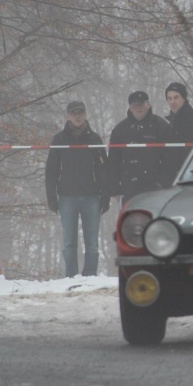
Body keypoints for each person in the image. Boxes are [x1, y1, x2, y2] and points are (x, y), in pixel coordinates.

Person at [45, 100, 110, 277]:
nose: (78, 115)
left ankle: (90, 276)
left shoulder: (94, 138)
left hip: (91, 197)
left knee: (92, 243)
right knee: (69, 242)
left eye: (81, 112)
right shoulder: (59, 139)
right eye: (74, 112)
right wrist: (52, 197)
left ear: (85, 114)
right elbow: (51, 170)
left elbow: (103, 169)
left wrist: (105, 195)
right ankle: (70, 276)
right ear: (67, 116)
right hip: (67, 197)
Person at [108, 91, 171, 205]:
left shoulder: (160, 126)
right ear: (130, 108)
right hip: (129, 188)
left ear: (148, 104)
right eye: (134, 105)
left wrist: (164, 182)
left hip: (155, 188)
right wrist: (114, 188)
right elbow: (113, 160)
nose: (138, 108)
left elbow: (169, 157)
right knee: (132, 221)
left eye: (141, 104)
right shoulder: (120, 129)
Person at [163, 82, 193, 185]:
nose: (172, 102)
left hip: (186, 177)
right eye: (169, 98)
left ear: (184, 98)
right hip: (171, 177)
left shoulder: (192, 121)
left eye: (176, 97)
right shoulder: (171, 121)